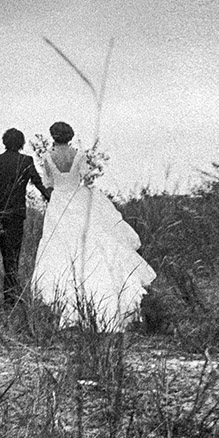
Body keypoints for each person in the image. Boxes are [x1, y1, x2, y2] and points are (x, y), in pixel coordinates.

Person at [30, 121, 155, 331]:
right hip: (77, 199)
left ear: (53, 136)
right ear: (70, 136)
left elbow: (48, 183)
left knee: (59, 245)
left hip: (58, 202)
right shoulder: (79, 155)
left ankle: (60, 299)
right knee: (89, 242)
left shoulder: (47, 157)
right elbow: (87, 178)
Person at [0, 128, 52, 307]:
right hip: (16, 213)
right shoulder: (26, 161)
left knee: (6, 252)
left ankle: (11, 295)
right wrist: (52, 199)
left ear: (4, 142)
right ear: (21, 143)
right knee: (13, 253)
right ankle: (11, 296)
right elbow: (38, 183)